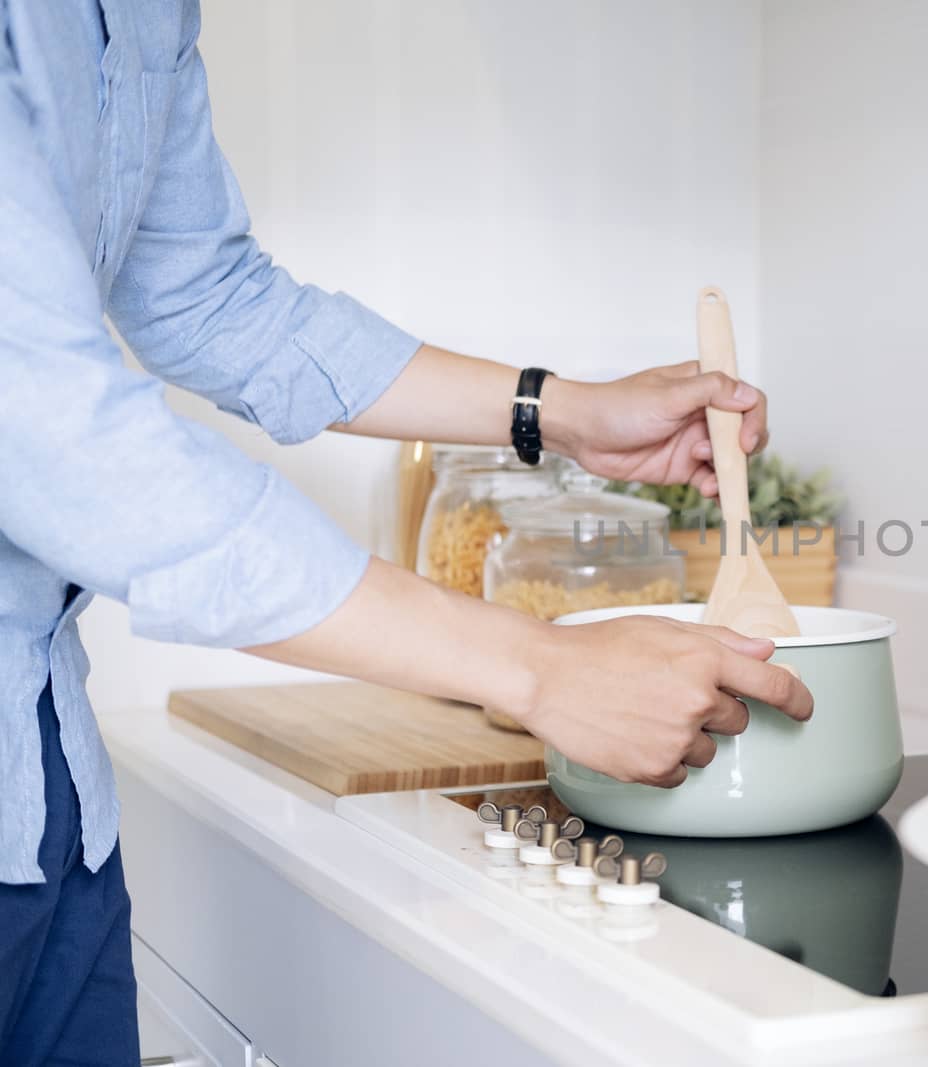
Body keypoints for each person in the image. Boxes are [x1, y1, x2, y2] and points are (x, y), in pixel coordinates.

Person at [0, 1, 815, 1062]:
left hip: (49, 779)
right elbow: (54, 436)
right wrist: (533, 666)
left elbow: (210, 299)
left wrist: (557, 410)